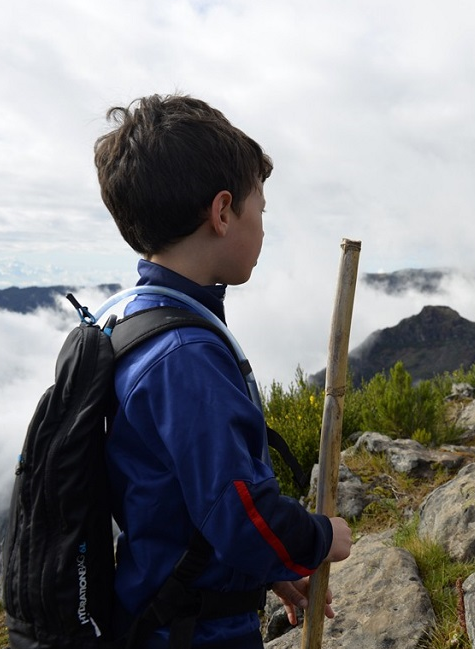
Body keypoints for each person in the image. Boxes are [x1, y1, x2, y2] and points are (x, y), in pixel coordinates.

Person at [94, 93, 351, 648]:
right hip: (191, 632)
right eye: (261, 209)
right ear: (223, 211)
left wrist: (269, 571)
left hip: (169, 611)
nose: (262, 226)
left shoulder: (138, 319)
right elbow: (242, 518)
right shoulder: (185, 356)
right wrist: (322, 537)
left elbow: (186, 501)